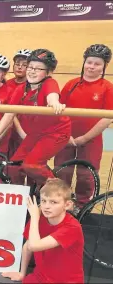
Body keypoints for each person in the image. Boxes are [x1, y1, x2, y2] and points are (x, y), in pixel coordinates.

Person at [0, 49, 70, 187]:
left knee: (31, 165)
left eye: (38, 69)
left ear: (48, 73)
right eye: (30, 67)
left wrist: (55, 103)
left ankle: (59, 191)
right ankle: (39, 189)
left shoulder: (49, 83)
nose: (32, 71)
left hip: (56, 132)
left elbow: (52, 96)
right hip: (36, 132)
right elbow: (9, 113)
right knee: (16, 164)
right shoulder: (22, 88)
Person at [55, 44, 113, 208]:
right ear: (84, 62)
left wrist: (84, 138)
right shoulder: (72, 84)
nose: (92, 67)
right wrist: (67, 135)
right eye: (89, 62)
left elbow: (107, 118)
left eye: (97, 64)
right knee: (61, 172)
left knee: (86, 176)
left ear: (104, 66)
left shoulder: (107, 88)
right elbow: (60, 110)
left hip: (91, 140)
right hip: (66, 138)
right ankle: (59, 204)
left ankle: (82, 207)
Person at [2, 178, 84, 283]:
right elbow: (27, 246)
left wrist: (35, 218)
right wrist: (22, 273)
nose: (47, 206)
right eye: (44, 201)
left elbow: (34, 246)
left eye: (53, 202)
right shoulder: (39, 218)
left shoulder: (72, 227)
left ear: (67, 205)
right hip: (40, 277)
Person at [8, 49, 32, 159]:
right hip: (9, 136)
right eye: (17, 64)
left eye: (24, 65)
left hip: (30, 135)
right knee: (12, 172)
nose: (19, 67)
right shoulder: (6, 84)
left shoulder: (35, 86)